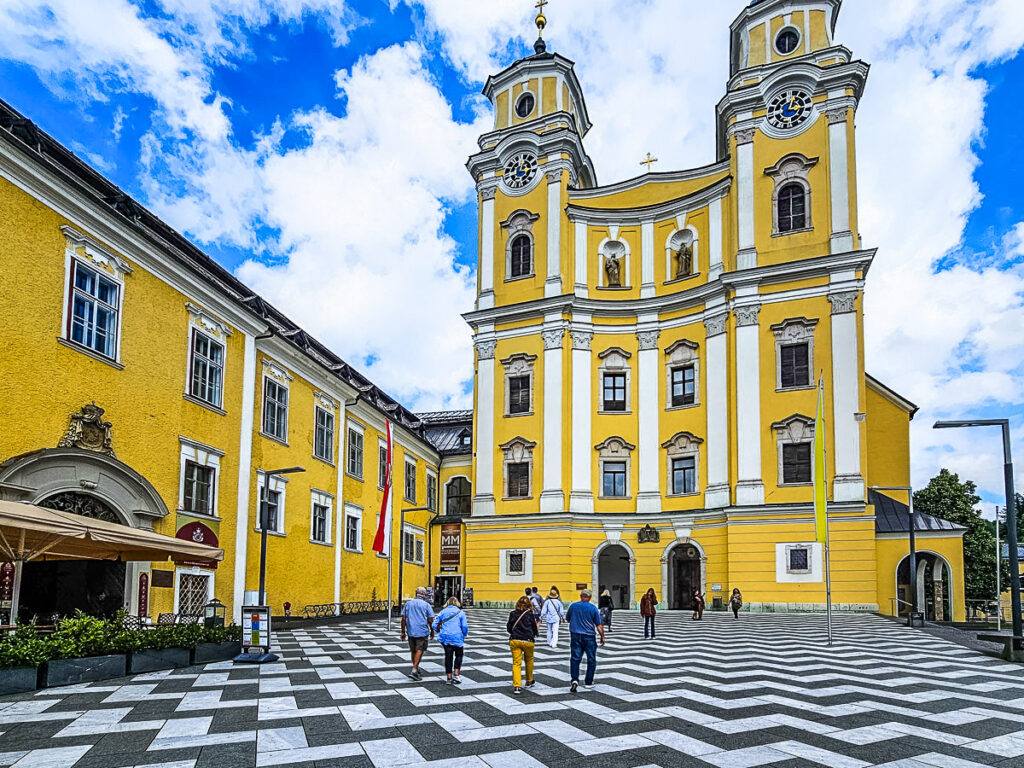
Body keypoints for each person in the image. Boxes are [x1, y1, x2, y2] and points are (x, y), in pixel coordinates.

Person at [566, 588, 605, 692]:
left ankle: (574, 680)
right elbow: (599, 625)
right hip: (589, 636)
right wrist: (602, 636)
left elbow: (568, 619)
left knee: (575, 659)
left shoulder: (573, 606)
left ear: (581, 596)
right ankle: (588, 682)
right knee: (591, 660)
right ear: (590, 597)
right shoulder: (593, 608)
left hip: (575, 635)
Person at [400, 587, 435, 681]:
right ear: (424, 595)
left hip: (411, 630)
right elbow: (430, 620)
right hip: (422, 631)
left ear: (416, 593)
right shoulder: (426, 605)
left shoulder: (408, 604)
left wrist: (403, 631)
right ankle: (414, 670)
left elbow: (403, 619)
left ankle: (416, 667)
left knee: (413, 650)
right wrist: (432, 630)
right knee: (420, 649)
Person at [432, 597, 468, 685]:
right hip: (457, 637)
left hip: (445, 637)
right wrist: (464, 634)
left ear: (447, 603)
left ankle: (449, 678)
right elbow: (464, 626)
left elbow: (434, 625)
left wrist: (439, 631)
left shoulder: (442, 612)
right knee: (459, 655)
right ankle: (456, 674)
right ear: (457, 603)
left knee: (448, 656)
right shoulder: (461, 613)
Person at [507, 595, 539, 694]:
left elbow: (509, 627)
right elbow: (534, 629)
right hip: (528, 640)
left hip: (515, 640)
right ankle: (529, 681)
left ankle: (517, 686)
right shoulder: (530, 614)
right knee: (529, 660)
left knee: (516, 663)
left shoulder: (513, 614)